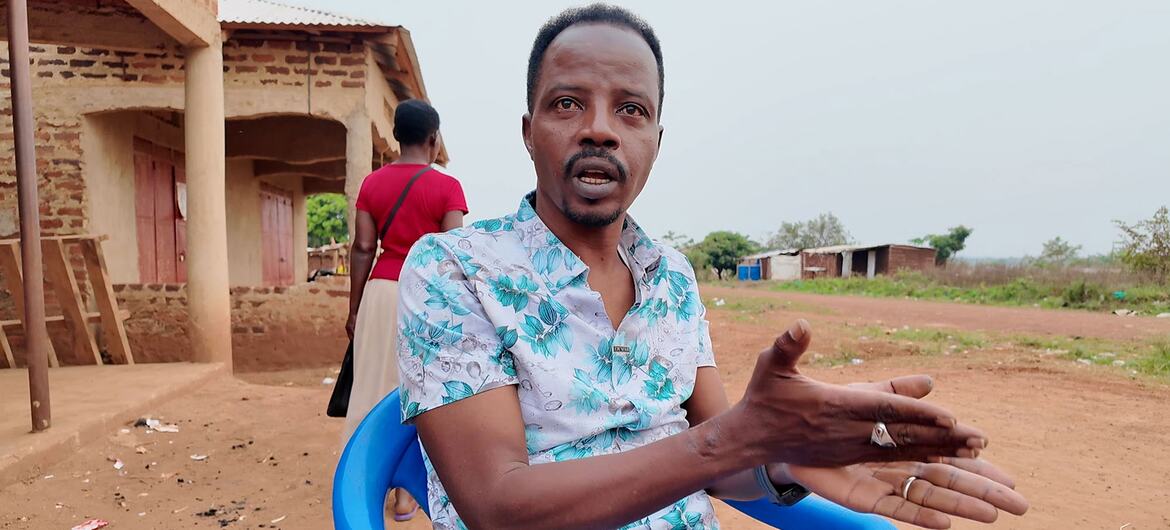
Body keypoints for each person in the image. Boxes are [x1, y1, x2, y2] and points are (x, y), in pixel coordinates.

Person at [396, 5, 1029, 529]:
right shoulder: (454, 269)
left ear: (656, 141)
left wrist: (786, 457)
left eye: (630, 110)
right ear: (529, 131)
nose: (600, 130)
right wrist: (739, 439)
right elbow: (498, 508)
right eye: (567, 104)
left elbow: (726, 466)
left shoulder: (671, 277)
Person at [344, 98, 467, 522]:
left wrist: (355, 307)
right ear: (433, 140)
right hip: (425, 299)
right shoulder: (447, 188)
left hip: (379, 291)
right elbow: (452, 256)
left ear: (397, 137)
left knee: (371, 387)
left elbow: (362, 248)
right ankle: (406, 496)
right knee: (421, 391)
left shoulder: (372, 185)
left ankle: (365, 483)